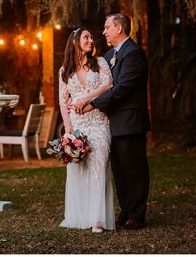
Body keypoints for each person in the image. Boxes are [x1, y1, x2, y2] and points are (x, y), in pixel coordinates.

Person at [76, 13, 151, 230]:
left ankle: (137, 215)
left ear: (119, 28)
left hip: (129, 121)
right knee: (119, 170)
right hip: (111, 124)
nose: (104, 31)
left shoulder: (134, 54)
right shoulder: (109, 55)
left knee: (134, 169)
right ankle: (126, 211)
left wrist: (93, 104)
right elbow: (101, 82)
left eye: (107, 26)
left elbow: (122, 88)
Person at [58, 27, 115, 233]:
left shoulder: (99, 63)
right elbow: (63, 102)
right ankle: (81, 215)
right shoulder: (65, 71)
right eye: (86, 37)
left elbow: (108, 85)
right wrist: (68, 129)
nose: (91, 40)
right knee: (78, 170)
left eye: (91, 37)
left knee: (99, 167)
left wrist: (85, 97)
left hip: (99, 122)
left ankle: (98, 219)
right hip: (77, 124)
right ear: (75, 42)